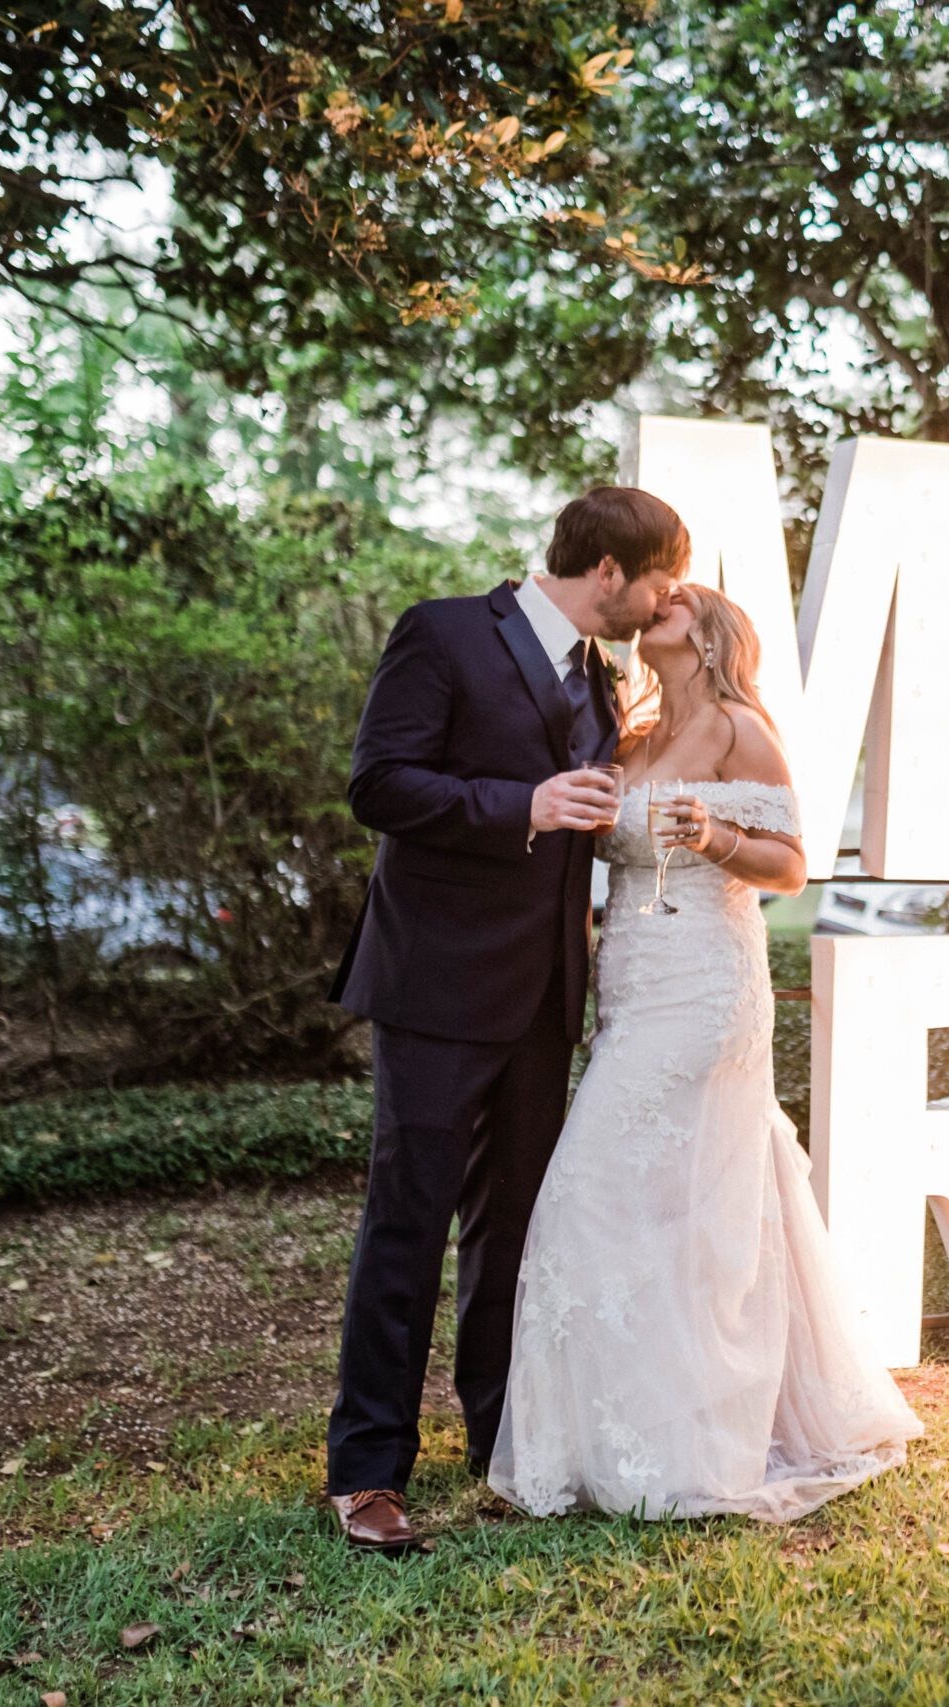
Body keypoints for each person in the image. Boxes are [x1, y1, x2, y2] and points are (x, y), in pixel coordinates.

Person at [489, 582, 922, 1521]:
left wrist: (719, 835)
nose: (659, 602)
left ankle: (685, 1441)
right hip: (631, 988)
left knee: (591, 1188)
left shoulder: (739, 728)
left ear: (714, 633)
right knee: (659, 1204)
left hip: (706, 987)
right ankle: (633, 1431)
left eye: (679, 598)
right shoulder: (629, 735)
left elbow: (791, 865)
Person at [323, 486, 686, 1553]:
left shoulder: (602, 677)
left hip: (543, 997)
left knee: (514, 1228)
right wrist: (519, 805)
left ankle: (500, 1438)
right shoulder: (442, 632)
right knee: (408, 1221)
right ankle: (367, 1471)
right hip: (436, 987)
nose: (664, 599)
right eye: (659, 578)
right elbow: (378, 784)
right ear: (609, 571)